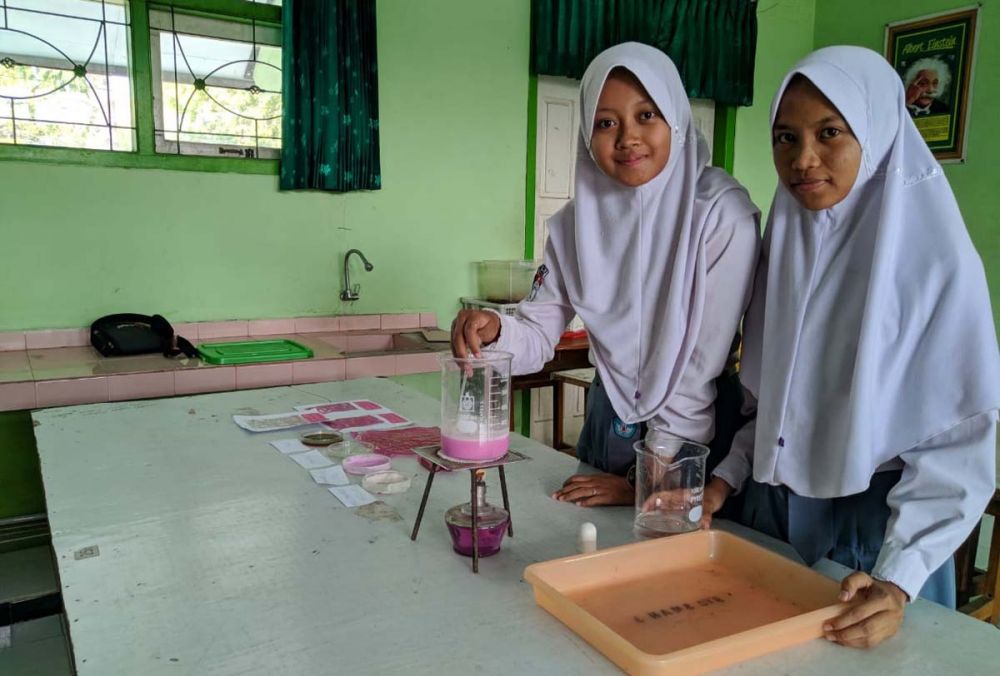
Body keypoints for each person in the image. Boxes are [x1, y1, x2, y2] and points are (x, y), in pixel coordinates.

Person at [702, 46, 999, 649]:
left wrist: (899, 577)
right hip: (772, 511)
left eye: (829, 133)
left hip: (877, 534)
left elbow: (959, 439)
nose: (802, 159)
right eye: (785, 137)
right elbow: (772, 404)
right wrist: (727, 478)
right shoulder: (785, 243)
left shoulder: (935, 265)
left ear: (878, 131)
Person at [450, 42, 760, 507]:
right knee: (585, 538)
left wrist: (647, 482)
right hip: (608, 419)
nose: (627, 138)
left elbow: (698, 368)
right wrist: (496, 330)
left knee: (667, 549)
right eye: (605, 123)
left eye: (646, 115)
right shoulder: (576, 225)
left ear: (676, 118)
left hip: (692, 438)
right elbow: (537, 334)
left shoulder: (719, 215)